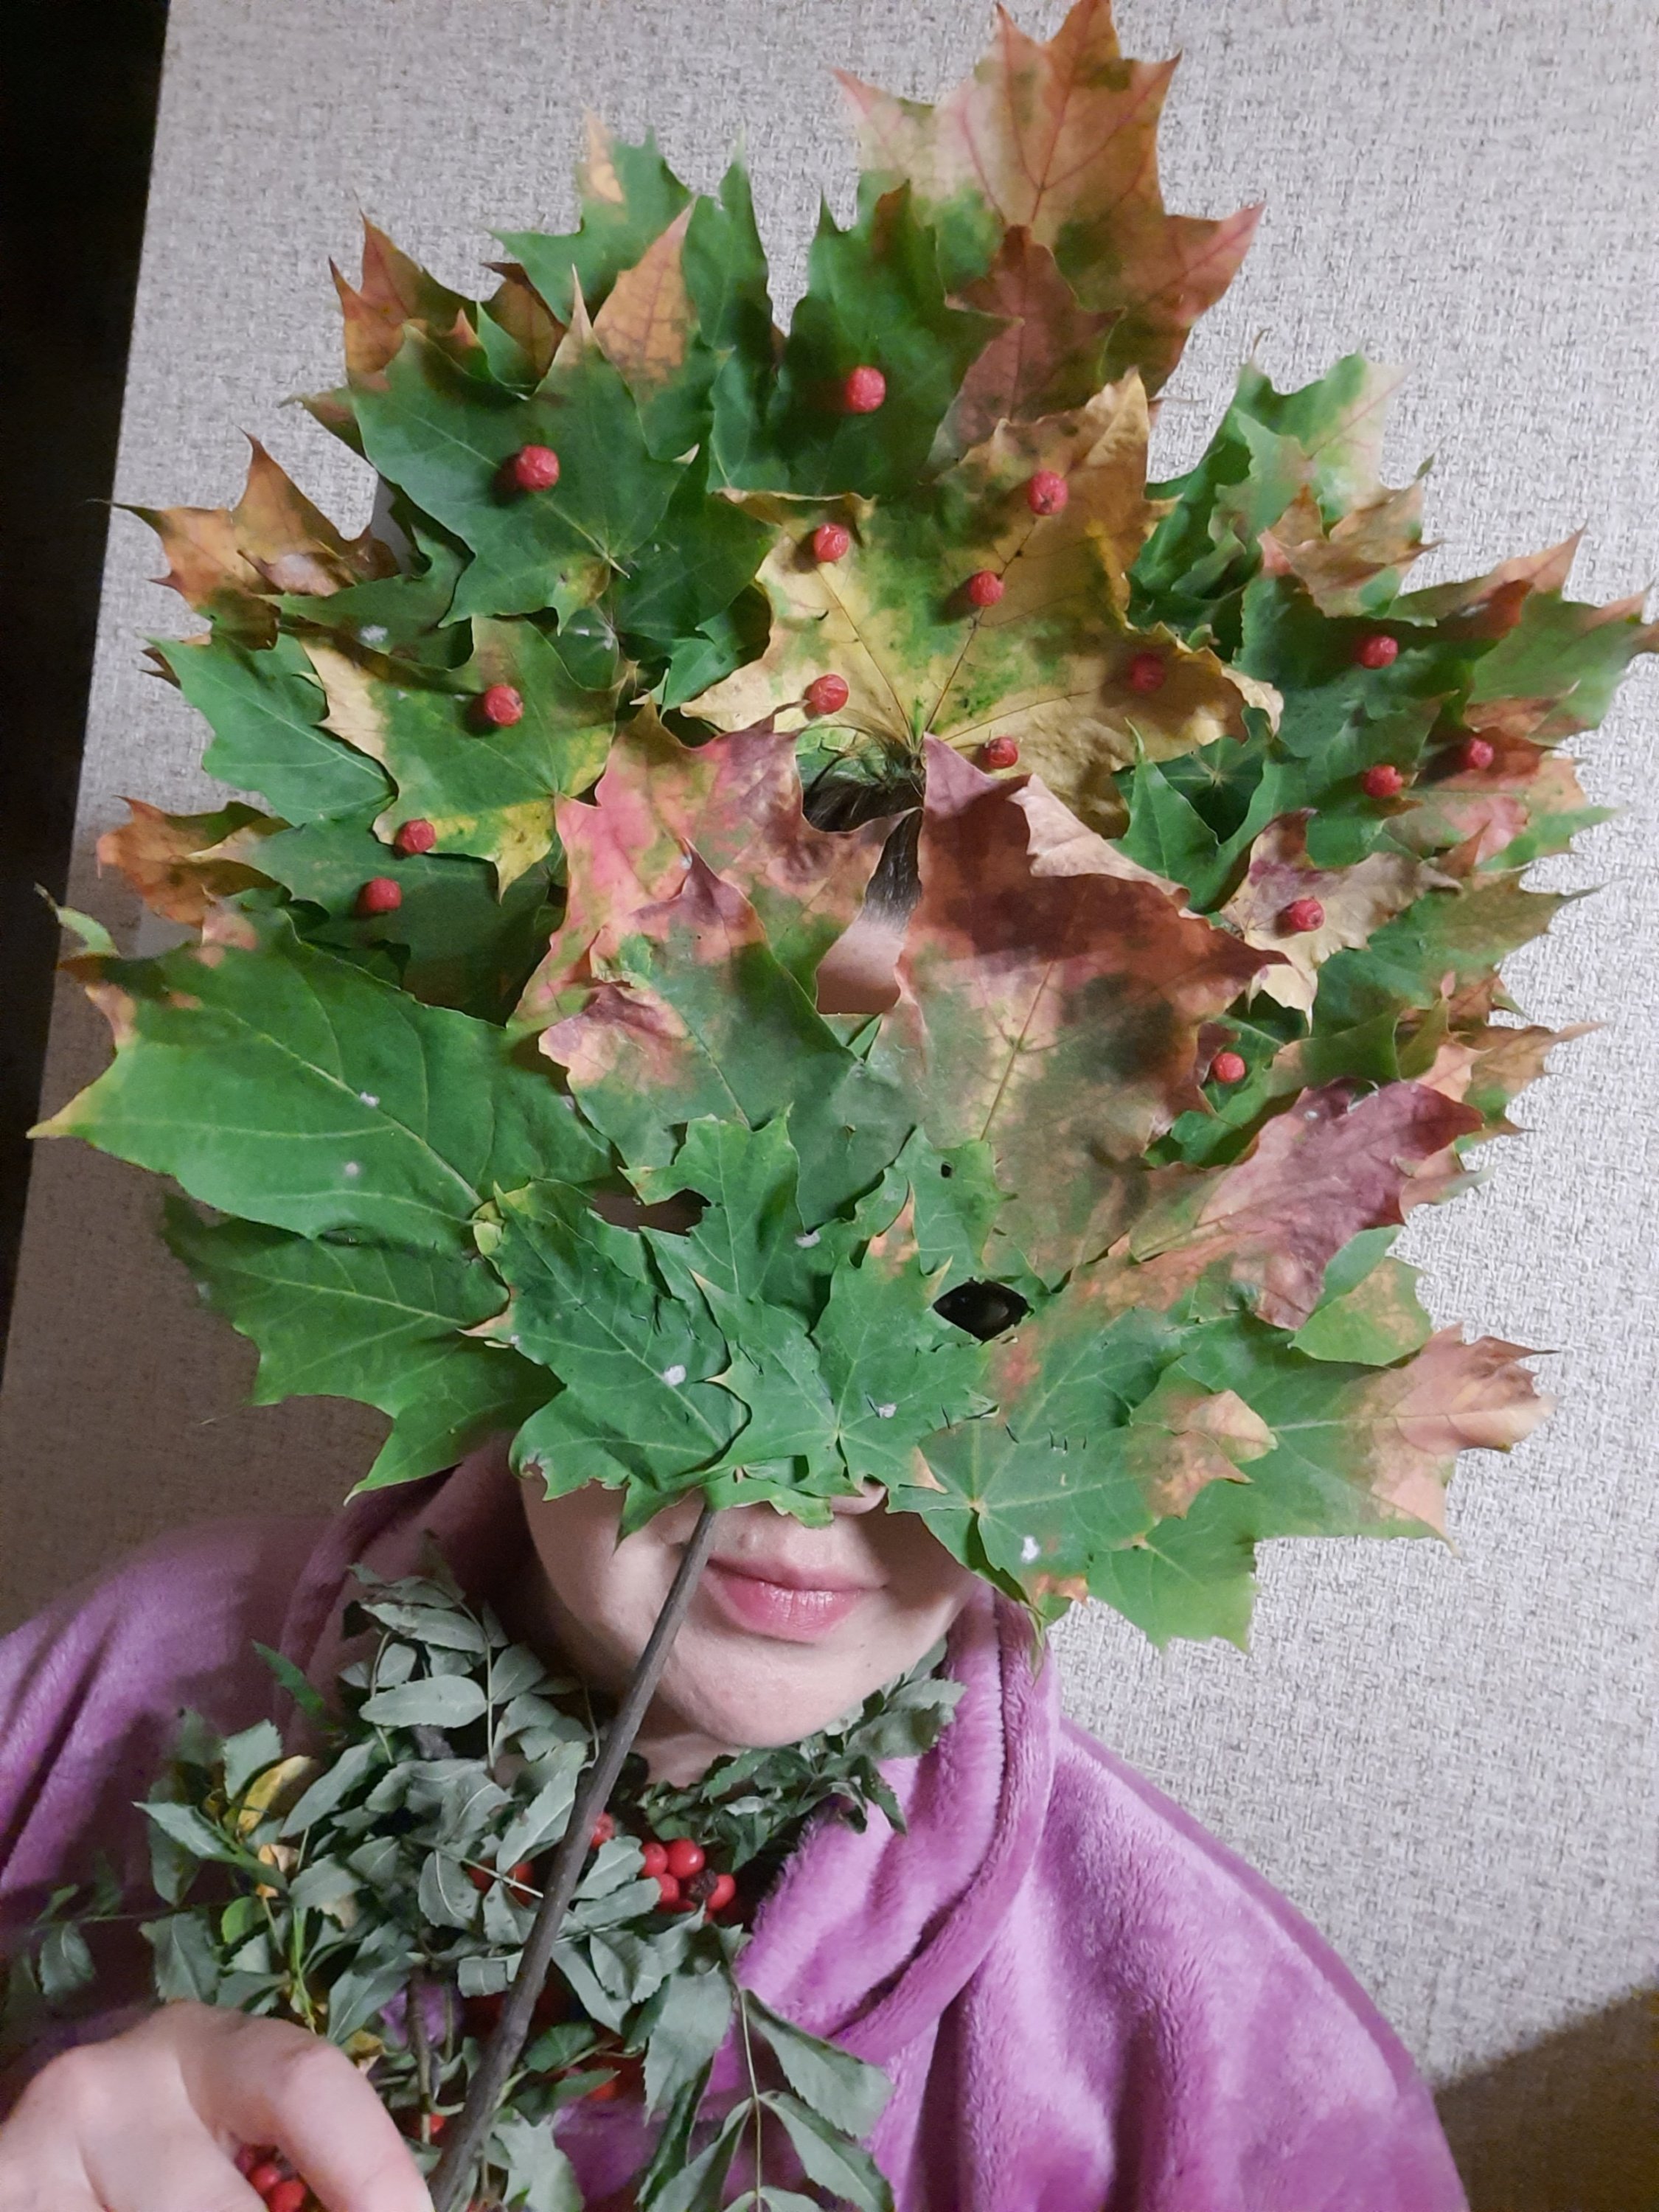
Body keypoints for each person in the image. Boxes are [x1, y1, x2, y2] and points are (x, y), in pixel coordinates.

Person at [0, 1439, 1467, 2211]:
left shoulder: (1234, 2068)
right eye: (703, 1232)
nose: (825, 1469)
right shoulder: (123, 1672)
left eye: (968, 1304)